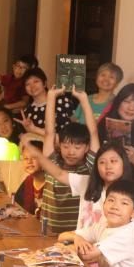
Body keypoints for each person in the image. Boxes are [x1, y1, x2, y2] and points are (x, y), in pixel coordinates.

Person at [35, 88, 99, 235]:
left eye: (77, 147)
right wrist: (51, 96)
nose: (71, 152)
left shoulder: (89, 166)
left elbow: (93, 133)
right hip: (48, 231)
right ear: (60, 145)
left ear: (86, 148)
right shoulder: (53, 162)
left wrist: (84, 100)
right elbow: (49, 133)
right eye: (66, 146)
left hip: (77, 235)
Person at [20, 68, 77, 134]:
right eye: (27, 84)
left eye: (36, 81)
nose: (32, 86)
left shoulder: (62, 101)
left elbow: (76, 123)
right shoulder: (27, 112)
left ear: (44, 83)